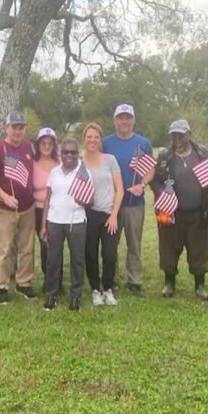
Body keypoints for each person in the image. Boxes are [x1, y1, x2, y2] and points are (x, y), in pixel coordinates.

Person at [150, 119, 208, 300]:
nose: (177, 138)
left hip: (198, 210)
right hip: (171, 212)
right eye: (173, 135)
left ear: (189, 134)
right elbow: (153, 179)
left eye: (181, 134)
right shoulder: (164, 156)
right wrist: (161, 192)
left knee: (199, 249)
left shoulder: (202, 153)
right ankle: (169, 282)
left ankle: (200, 284)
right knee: (169, 247)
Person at [102, 104, 155, 297]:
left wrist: (142, 184)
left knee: (134, 243)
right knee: (110, 244)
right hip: (111, 204)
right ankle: (111, 279)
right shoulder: (105, 143)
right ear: (114, 120)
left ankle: (134, 281)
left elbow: (151, 169)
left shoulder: (143, 143)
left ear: (133, 120)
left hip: (134, 203)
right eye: (120, 118)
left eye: (128, 118)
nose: (124, 121)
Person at [0, 111, 36, 304]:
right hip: (6, 209)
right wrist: (5, 197)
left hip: (28, 207)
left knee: (27, 247)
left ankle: (24, 283)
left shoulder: (28, 147)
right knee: (5, 249)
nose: (18, 131)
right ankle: (2, 286)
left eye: (21, 127)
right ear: (7, 128)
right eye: (14, 127)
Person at [41, 137, 91, 311]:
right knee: (53, 260)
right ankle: (51, 295)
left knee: (77, 260)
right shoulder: (54, 172)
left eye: (73, 152)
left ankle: (75, 296)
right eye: (65, 152)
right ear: (60, 154)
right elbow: (47, 200)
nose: (69, 155)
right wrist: (43, 226)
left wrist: (83, 200)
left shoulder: (83, 171)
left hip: (76, 222)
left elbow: (91, 200)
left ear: (78, 154)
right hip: (54, 221)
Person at [81, 122, 124, 306]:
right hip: (88, 214)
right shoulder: (79, 162)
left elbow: (120, 189)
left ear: (100, 139)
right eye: (89, 137)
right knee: (90, 253)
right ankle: (95, 289)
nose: (92, 140)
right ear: (84, 140)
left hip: (109, 214)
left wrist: (114, 214)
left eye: (96, 137)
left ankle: (108, 289)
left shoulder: (110, 160)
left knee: (109, 254)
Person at [32, 127, 61, 294]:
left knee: (55, 246)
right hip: (37, 210)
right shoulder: (32, 164)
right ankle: (48, 279)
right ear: (38, 144)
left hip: (56, 210)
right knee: (45, 245)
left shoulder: (60, 163)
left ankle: (57, 279)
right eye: (43, 143)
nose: (46, 146)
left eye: (50, 143)